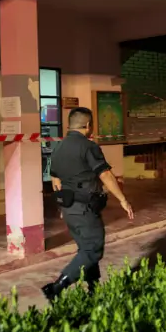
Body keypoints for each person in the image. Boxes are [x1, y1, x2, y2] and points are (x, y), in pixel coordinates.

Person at [41, 107, 134, 302]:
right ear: (89, 125)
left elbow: (55, 179)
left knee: (85, 248)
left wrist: (61, 206)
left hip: (69, 209)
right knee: (93, 249)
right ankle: (57, 287)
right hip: (84, 208)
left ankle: (93, 289)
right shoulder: (89, 146)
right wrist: (123, 200)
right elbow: (105, 175)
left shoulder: (57, 147)